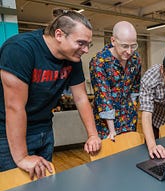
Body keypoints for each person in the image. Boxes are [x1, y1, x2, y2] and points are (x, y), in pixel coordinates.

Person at [0, 9, 101, 178]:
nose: (85, 50)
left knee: (42, 186)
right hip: (9, 134)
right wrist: (22, 157)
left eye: (87, 45)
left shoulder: (72, 57)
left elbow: (81, 97)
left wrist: (92, 135)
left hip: (44, 130)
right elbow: (14, 107)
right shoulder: (19, 49)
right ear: (59, 34)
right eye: (81, 43)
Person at [89, 21, 141, 141]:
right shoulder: (99, 62)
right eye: (124, 46)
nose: (129, 51)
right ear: (113, 41)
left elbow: (135, 87)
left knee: (130, 154)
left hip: (129, 118)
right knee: (110, 157)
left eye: (133, 46)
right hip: (106, 124)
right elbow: (103, 97)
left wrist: (133, 106)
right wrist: (112, 130)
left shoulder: (136, 58)